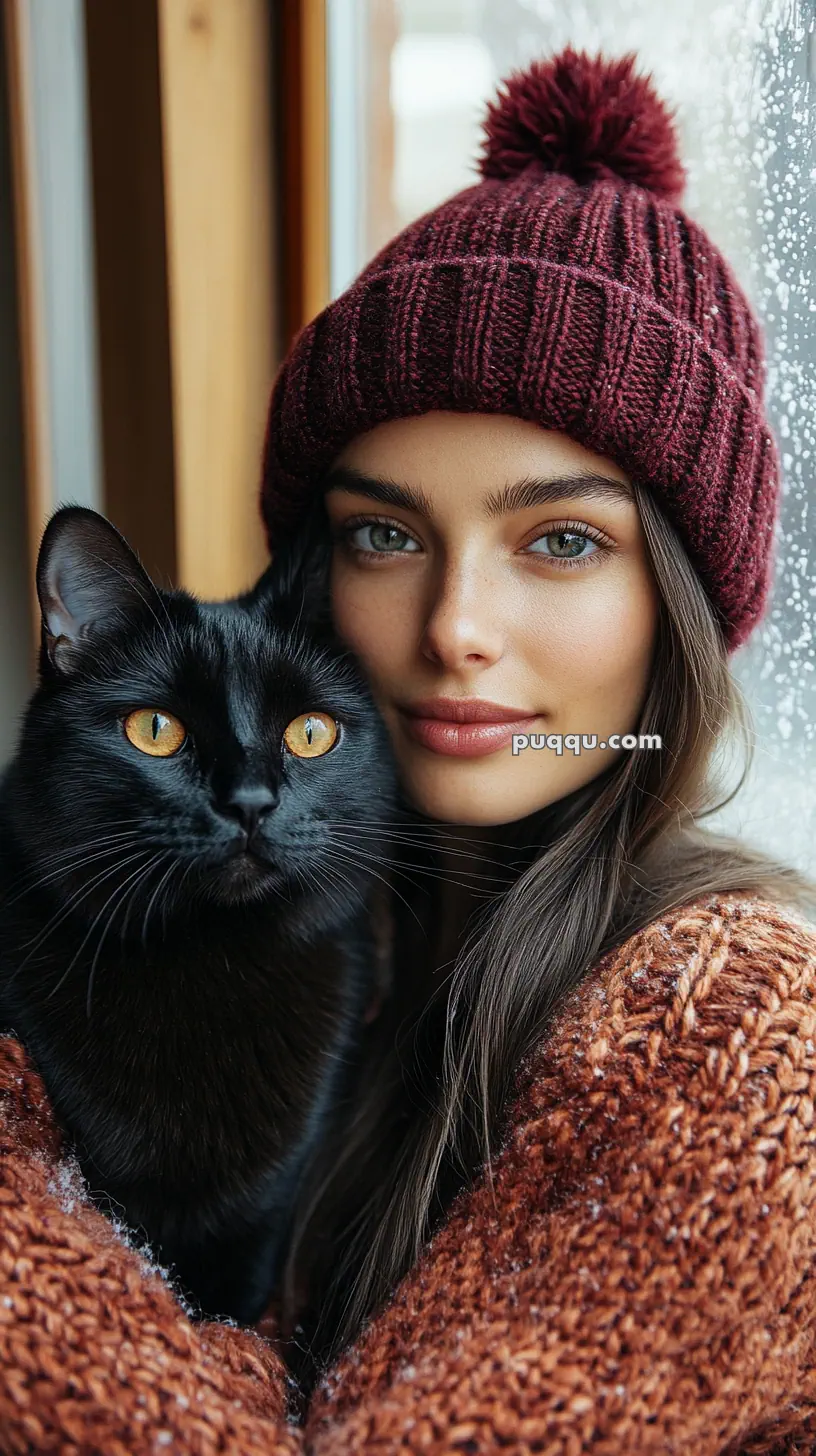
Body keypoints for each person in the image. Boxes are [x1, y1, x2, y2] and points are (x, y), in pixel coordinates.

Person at [2, 43, 816, 1455]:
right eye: (386, 534)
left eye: (560, 541)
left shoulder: (743, 1025)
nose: (454, 628)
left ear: (675, 609)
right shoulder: (329, 923)